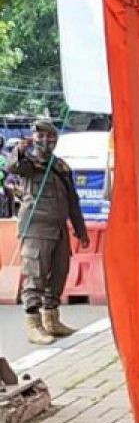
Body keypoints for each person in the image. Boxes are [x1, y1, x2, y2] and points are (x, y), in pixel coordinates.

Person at [5, 119, 89, 344]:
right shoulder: (29, 165)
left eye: (50, 136)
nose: (45, 140)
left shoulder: (60, 167)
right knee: (36, 275)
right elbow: (11, 167)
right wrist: (19, 150)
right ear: (33, 138)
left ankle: (51, 319)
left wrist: (81, 231)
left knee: (59, 273)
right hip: (36, 229)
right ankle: (34, 324)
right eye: (40, 136)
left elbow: (73, 201)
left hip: (59, 229)